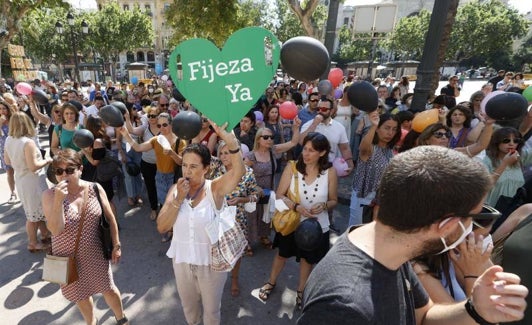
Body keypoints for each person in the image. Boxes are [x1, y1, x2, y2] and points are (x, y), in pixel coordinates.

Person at [298, 145, 529, 325]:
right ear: (447, 225)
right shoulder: (344, 308)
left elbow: (425, 316)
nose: (474, 227)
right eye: (473, 217)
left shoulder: (391, 253)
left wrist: (475, 309)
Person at [156, 122, 245, 325]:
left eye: (193, 166)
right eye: (184, 165)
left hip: (211, 265)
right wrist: (178, 199)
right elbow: (162, 227)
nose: (187, 171)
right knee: (189, 309)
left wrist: (231, 142)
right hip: (182, 262)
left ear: (206, 168)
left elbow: (238, 173)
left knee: (212, 312)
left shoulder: (215, 188)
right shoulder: (175, 190)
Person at [42, 149, 128, 325]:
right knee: (80, 296)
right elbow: (55, 230)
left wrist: (117, 245)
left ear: (80, 169)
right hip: (67, 258)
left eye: (70, 170)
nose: (64, 175)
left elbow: (111, 218)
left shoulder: (94, 188)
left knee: (109, 289)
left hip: (95, 254)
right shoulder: (50, 195)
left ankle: (121, 318)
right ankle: (91, 322)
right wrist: (59, 201)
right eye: (59, 171)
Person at [258, 132, 338, 310]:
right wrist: (296, 207)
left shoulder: (330, 172)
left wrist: (324, 206)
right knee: (282, 255)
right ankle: (271, 282)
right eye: (305, 149)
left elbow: (334, 200)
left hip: (317, 227)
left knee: (307, 260)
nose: (306, 154)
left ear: (322, 153)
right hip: (292, 222)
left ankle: (301, 291)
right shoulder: (293, 167)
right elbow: (279, 195)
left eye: (311, 151)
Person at [120, 112, 186, 242]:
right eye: (159, 125)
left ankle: (175, 230)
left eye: (165, 124)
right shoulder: (156, 140)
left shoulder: (180, 141)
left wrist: (172, 153)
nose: (162, 128)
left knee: (176, 205)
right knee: (164, 204)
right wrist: (126, 134)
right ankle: (168, 229)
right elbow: (138, 148)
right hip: (160, 176)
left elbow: (181, 162)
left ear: (171, 124)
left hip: (174, 177)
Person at [214, 140, 260, 296]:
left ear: (236, 154)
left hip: (237, 219)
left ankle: (234, 279)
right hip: (216, 217)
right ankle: (215, 280)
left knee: (236, 253)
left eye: (228, 152)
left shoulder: (247, 172)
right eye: (221, 153)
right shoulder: (215, 170)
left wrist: (242, 200)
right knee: (215, 250)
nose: (224, 156)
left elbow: (255, 196)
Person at [245, 121, 301, 249]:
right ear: (258, 139)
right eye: (265, 137)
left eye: (271, 137)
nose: (269, 140)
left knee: (267, 213)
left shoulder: (273, 151)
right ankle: (247, 242)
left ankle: (263, 236)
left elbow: (293, 143)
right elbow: (243, 174)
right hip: (254, 190)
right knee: (252, 215)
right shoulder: (251, 156)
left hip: (269, 190)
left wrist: (296, 128)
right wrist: (254, 187)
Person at [4, 112, 52, 252]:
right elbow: (33, 166)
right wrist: (47, 160)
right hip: (33, 181)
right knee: (32, 216)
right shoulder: (28, 142)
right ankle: (32, 243)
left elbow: (7, 161)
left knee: (38, 212)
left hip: (21, 179)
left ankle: (45, 235)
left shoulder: (9, 139)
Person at [348, 112, 400, 226]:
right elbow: (363, 148)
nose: (390, 133)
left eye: (394, 129)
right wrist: (373, 126)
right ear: (377, 129)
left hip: (380, 202)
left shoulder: (390, 151)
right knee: (356, 235)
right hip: (363, 200)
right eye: (386, 128)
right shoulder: (371, 149)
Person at [482, 127, 532, 207]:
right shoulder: (487, 160)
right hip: (491, 210)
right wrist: (504, 163)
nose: (511, 144)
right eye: (506, 140)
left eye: (516, 141)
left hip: (510, 210)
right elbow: (484, 185)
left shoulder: (519, 157)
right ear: (497, 142)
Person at [0, 100, 16, 203]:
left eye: (4, 108)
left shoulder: (13, 119)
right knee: (9, 172)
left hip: (15, 148)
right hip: (3, 149)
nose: (2, 111)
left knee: (20, 171)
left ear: (8, 109)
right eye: (0, 109)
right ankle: (13, 193)